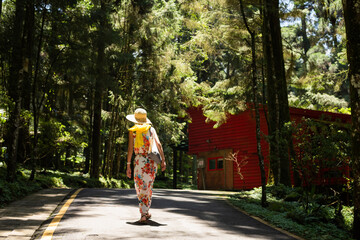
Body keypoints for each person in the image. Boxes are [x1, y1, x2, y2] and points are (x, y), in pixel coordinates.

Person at [126, 108, 166, 223]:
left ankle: (143, 213)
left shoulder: (133, 131)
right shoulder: (151, 129)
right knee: (148, 187)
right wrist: (163, 160)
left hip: (139, 161)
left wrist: (128, 165)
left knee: (140, 187)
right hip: (151, 162)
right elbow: (158, 144)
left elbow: (130, 149)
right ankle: (146, 212)